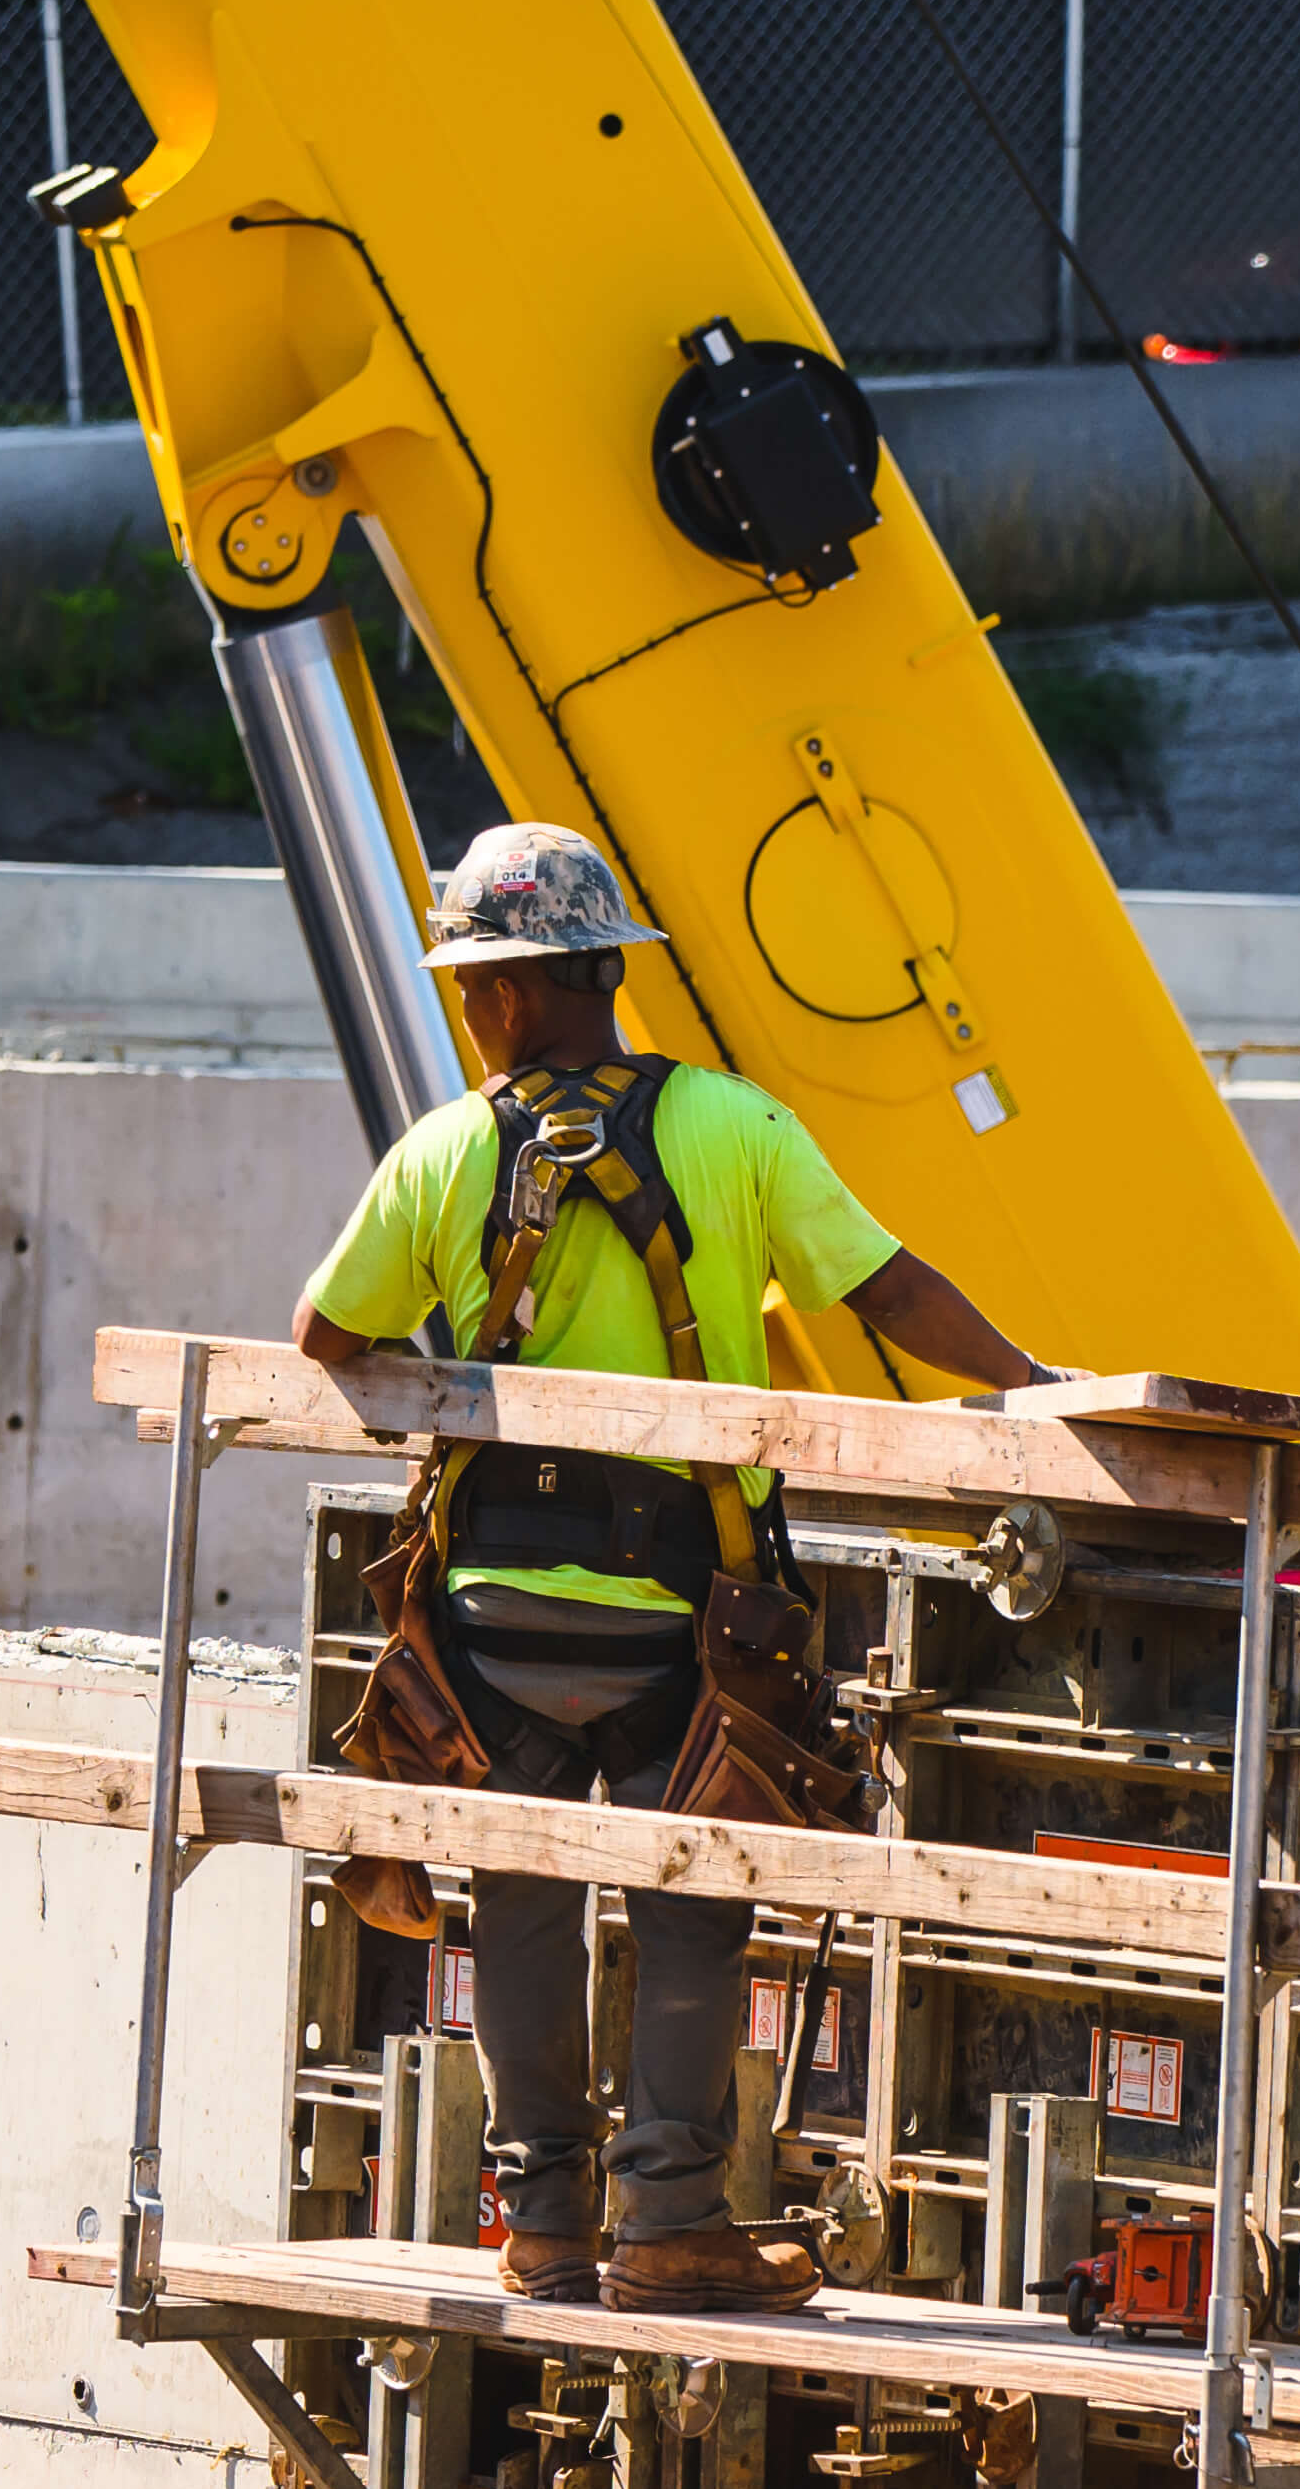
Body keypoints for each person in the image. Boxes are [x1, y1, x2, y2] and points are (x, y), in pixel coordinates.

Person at [295, 821, 1056, 2317]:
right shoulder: (736, 1129)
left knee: (518, 1892)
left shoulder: (448, 1152)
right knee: (695, 1891)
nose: (469, 1012)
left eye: (473, 986)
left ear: (509, 991)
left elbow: (327, 1342)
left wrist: (472, 1387)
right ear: (602, 970)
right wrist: (1030, 1380)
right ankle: (670, 2223)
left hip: (489, 1619)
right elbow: (885, 1288)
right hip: (682, 1619)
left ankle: (547, 2226)